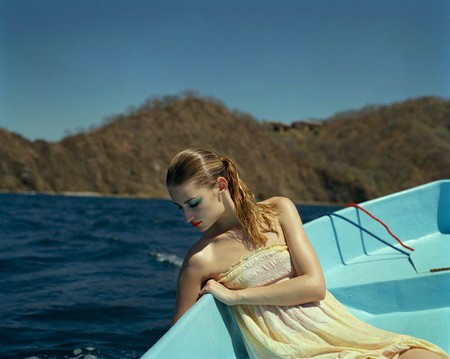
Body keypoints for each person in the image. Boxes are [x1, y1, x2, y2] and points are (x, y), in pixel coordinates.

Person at [166, 148, 448, 359]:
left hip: (335, 324)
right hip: (289, 347)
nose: (187, 216)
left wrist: (236, 296)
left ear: (220, 186)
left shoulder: (278, 210)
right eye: (180, 207)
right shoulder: (199, 260)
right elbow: (177, 341)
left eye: (193, 203)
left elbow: (315, 286)